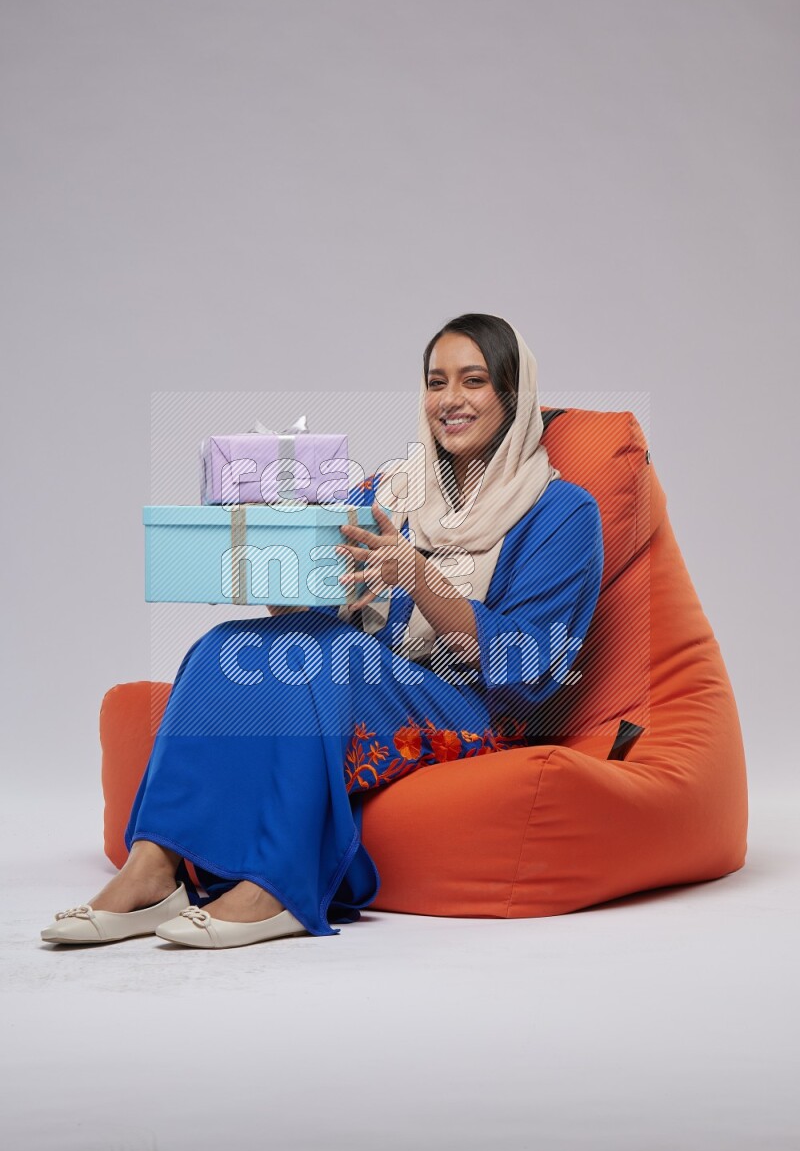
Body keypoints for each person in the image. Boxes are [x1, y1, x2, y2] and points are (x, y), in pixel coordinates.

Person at [41, 313, 604, 950]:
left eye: (473, 381)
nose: (450, 399)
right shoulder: (390, 491)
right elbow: (320, 618)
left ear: (513, 394)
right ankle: (151, 869)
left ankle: (280, 886)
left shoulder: (563, 512)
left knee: (323, 656)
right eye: (436, 381)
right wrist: (275, 556)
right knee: (222, 646)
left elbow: (532, 665)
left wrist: (418, 577)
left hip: (476, 706)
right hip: (371, 676)